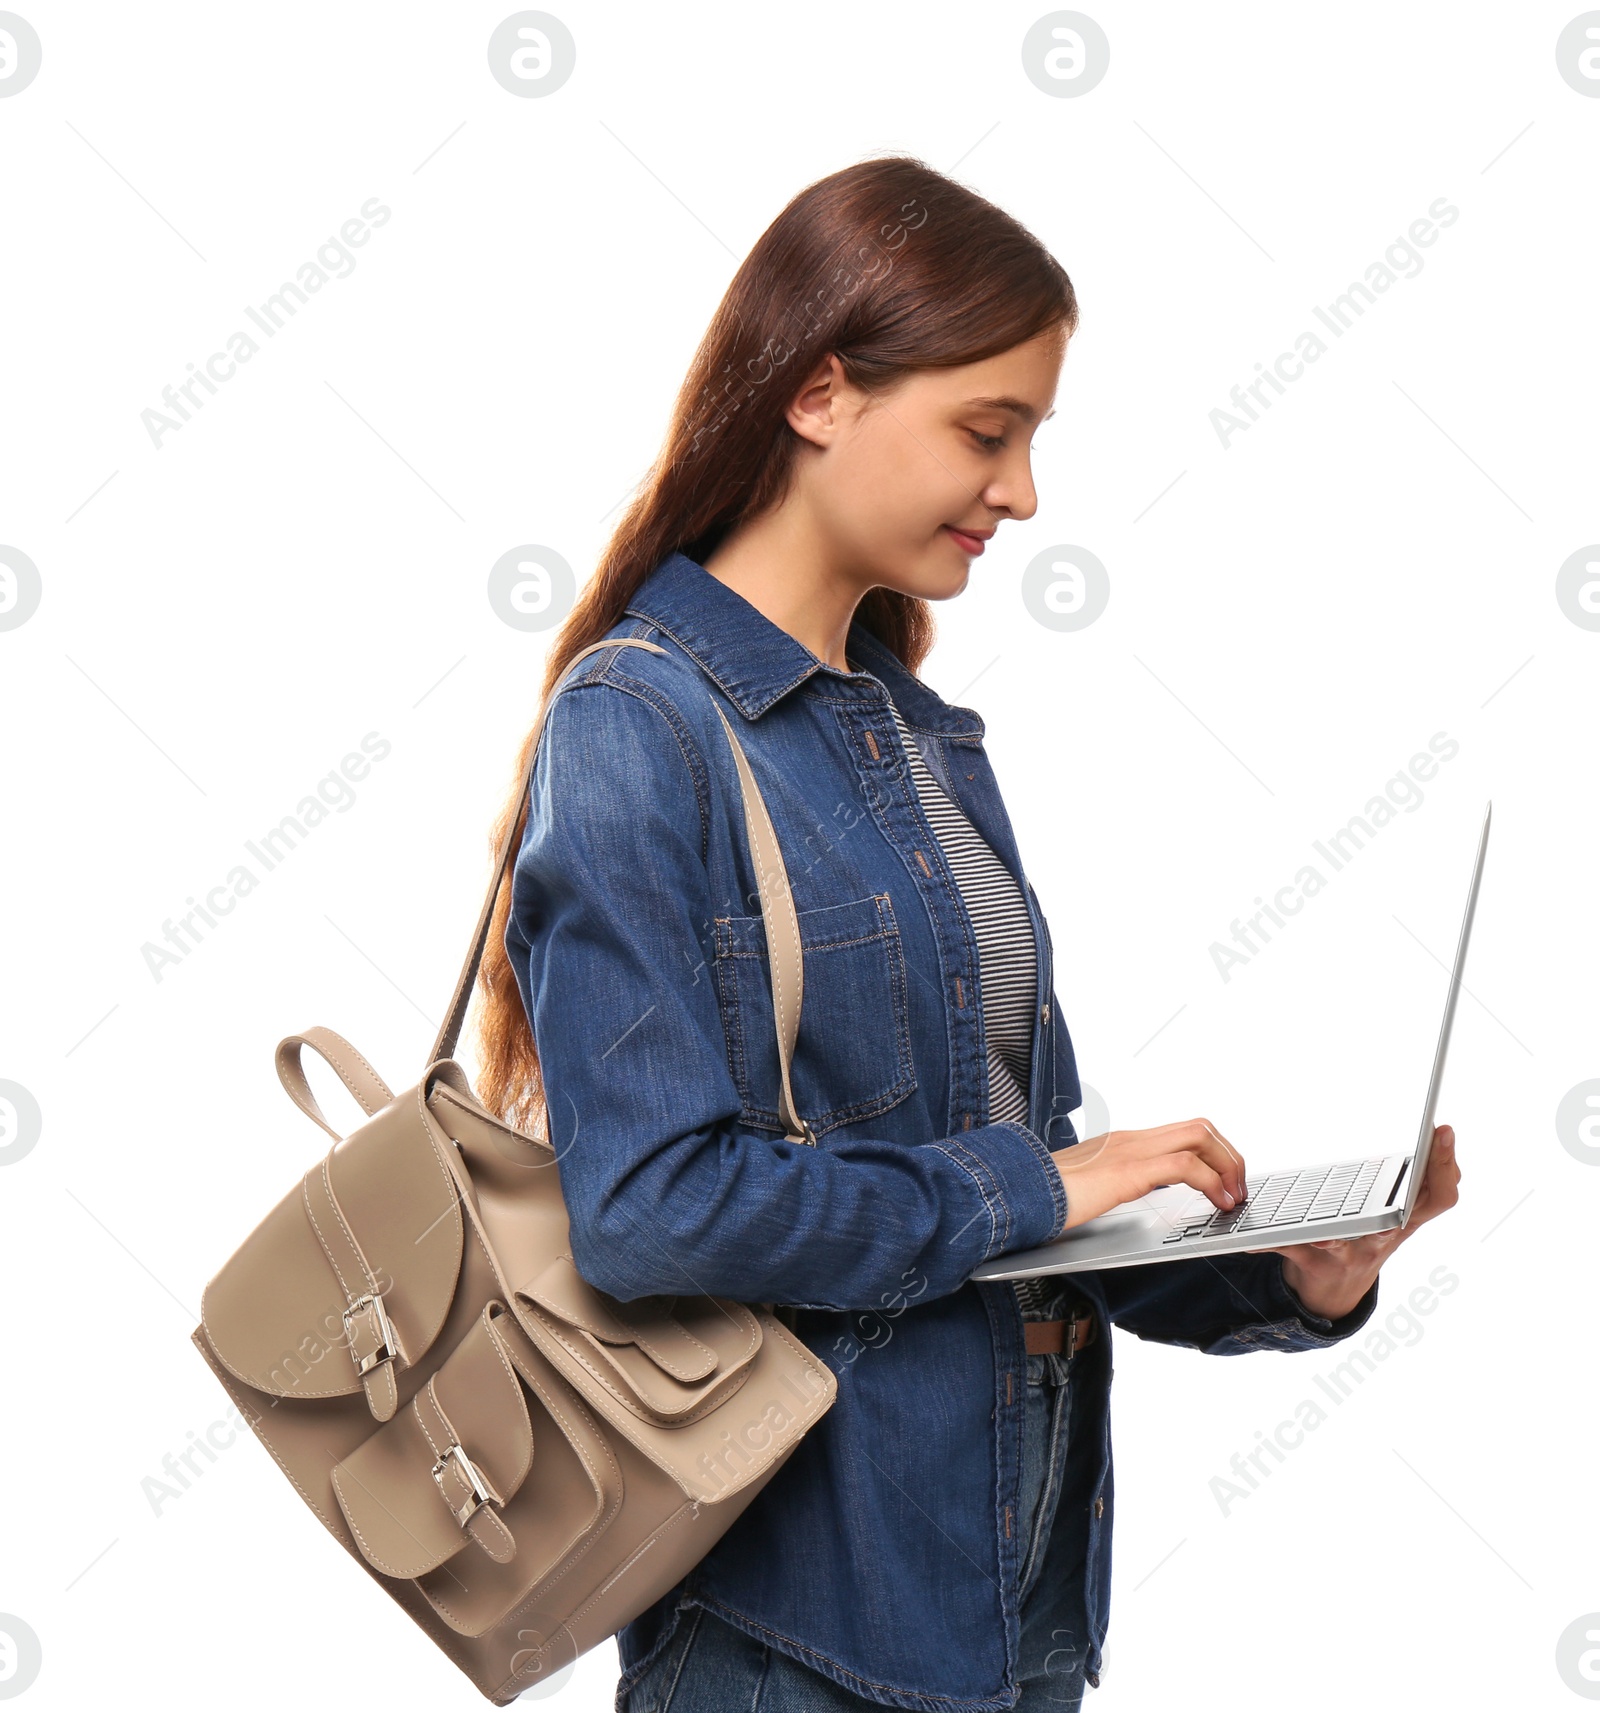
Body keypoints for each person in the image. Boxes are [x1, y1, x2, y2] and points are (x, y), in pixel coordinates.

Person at [475, 155, 1462, 1713]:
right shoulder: (641, 724)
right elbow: (654, 1211)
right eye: (985, 431)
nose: (1020, 491)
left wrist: (1290, 1274)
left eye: (1031, 439)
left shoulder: (920, 739)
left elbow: (1011, 1205)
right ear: (819, 396)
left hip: (1013, 1605)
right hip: (790, 1635)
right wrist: (1038, 1174)